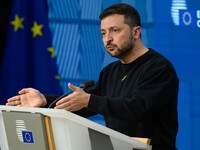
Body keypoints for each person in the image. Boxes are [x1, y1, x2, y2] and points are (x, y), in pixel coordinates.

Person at [6, 3, 179, 150]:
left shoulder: (159, 68)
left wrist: (89, 100)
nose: (107, 39)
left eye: (115, 31)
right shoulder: (110, 71)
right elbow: (82, 105)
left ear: (136, 32)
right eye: (103, 33)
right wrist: (45, 100)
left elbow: (138, 108)